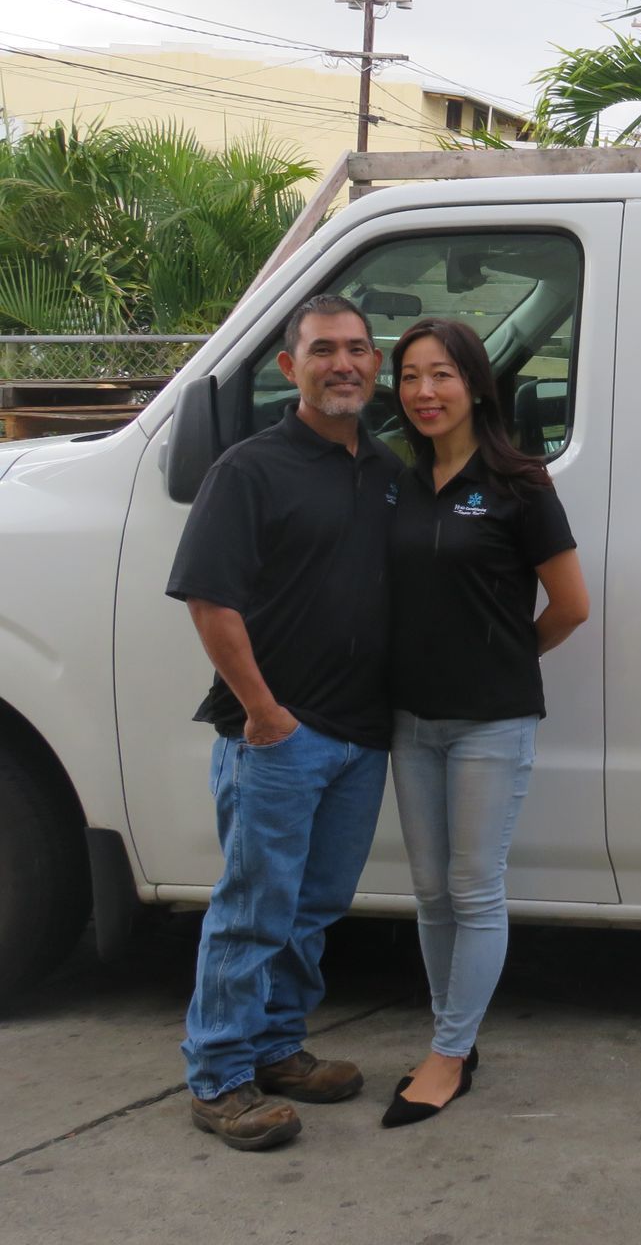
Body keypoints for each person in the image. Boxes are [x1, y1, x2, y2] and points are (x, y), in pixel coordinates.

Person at [167, 295, 401, 1151]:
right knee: (254, 908)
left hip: (358, 735)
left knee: (315, 905)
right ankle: (220, 1076)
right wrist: (266, 714)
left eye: (358, 351)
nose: (344, 364)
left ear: (376, 366)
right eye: (324, 350)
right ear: (288, 366)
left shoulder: (383, 471)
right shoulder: (250, 469)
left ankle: (276, 1047)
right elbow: (210, 598)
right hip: (276, 735)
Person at [381, 318, 589, 1128]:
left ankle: (447, 1054)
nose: (425, 392)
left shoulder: (521, 483)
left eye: (441, 375)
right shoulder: (398, 484)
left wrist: (505, 659)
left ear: (475, 385)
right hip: (409, 718)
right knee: (430, 893)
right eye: (409, 377)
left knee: (473, 888)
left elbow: (570, 606)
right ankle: (453, 1041)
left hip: (489, 725)